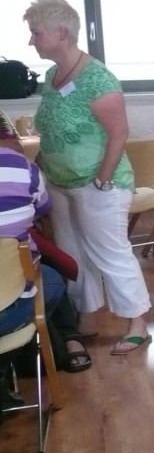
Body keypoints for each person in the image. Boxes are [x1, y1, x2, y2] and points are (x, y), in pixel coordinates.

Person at [23, 0, 152, 356]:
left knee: (110, 253)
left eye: (36, 33)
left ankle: (138, 324)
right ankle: (87, 315)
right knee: (72, 253)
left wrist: (102, 181)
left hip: (97, 183)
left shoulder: (98, 79)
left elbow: (119, 134)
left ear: (62, 33)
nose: (31, 41)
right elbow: (51, 129)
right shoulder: (52, 77)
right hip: (59, 182)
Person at [0, 120, 93, 412]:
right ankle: (10, 364)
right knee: (50, 278)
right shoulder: (22, 167)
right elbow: (43, 208)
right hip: (10, 309)